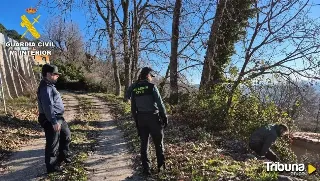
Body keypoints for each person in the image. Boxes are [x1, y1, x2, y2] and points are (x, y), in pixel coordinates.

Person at [129, 67, 168, 175]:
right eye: (151, 76)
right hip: (153, 118)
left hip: (141, 118)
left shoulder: (134, 88)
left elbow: (133, 108)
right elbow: (160, 104)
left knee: (144, 144)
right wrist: (164, 117)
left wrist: (137, 120)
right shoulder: (152, 87)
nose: (152, 78)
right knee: (158, 144)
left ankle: (146, 169)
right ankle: (161, 168)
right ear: (148, 75)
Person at [37, 64, 72, 173]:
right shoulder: (45, 88)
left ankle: (62, 158)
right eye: (55, 74)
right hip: (51, 119)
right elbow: (48, 106)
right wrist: (53, 121)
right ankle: (52, 167)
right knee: (53, 143)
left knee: (66, 136)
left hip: (59, 118)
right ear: (48, 74)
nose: (57, 76)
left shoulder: (50, 86)